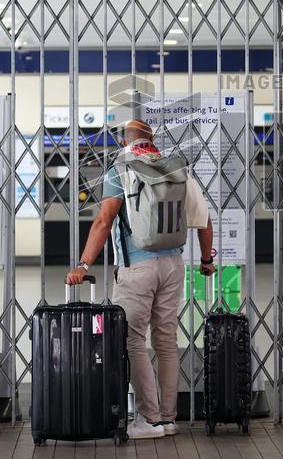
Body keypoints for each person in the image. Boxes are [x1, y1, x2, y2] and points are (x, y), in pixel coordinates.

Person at [67, 119, 215, 440]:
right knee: (166, 341)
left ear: (125, 139)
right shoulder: (176, 167)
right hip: (174, 265)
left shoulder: (121, 167)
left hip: (137, 268)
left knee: (132, 341)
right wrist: (206, 261)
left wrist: (82, 264)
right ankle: (169, 418)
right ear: (152, 139)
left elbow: (104, 220)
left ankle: (150, 419)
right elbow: (204, 221)